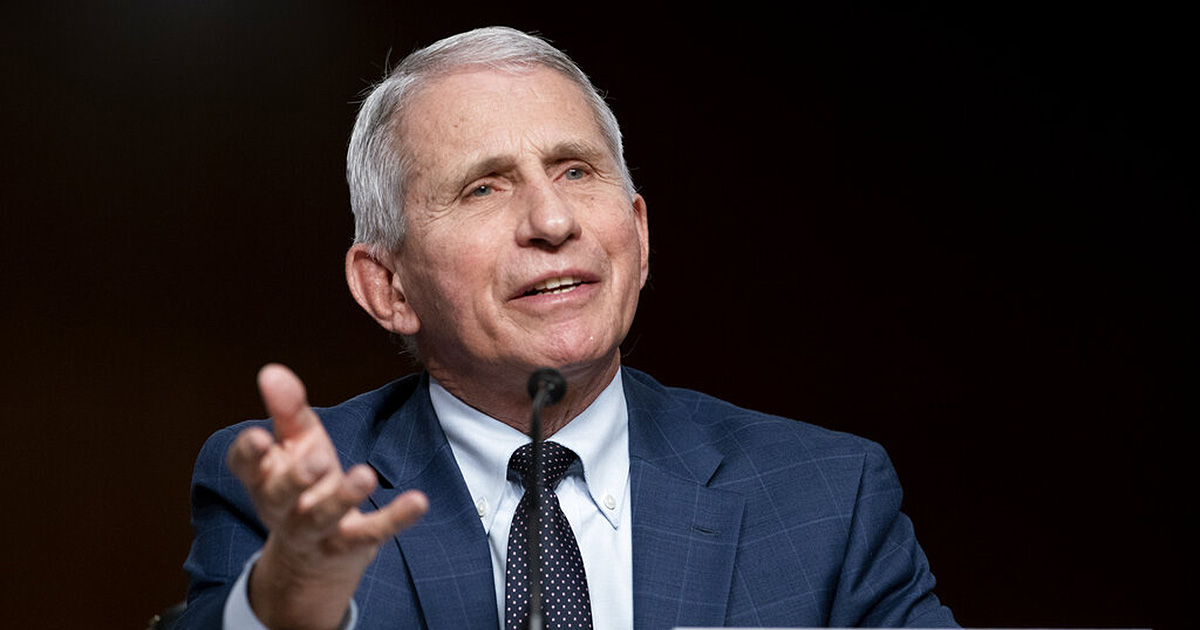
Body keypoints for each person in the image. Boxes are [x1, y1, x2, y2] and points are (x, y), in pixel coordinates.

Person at [177, 26, 958, 630]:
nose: (552, 221)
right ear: (387, 286)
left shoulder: (825, 496)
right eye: (483, 188)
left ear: (639, 236)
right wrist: (291, 600)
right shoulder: (293, 499)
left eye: (577, 171)